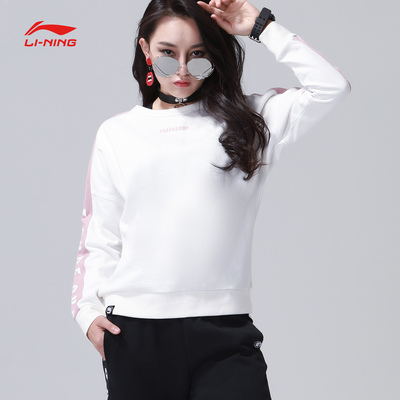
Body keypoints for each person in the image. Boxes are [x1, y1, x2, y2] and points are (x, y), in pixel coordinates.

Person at [71, 0, 350, 399]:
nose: (182, 70)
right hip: (136, 332)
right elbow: (100, 237)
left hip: (225, 331)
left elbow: (331, 87)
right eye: (168, 54)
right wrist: (86, 312)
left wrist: (262, 27)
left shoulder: (250, 122)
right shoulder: (117, 134)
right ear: (145, 49)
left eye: (198, 55)